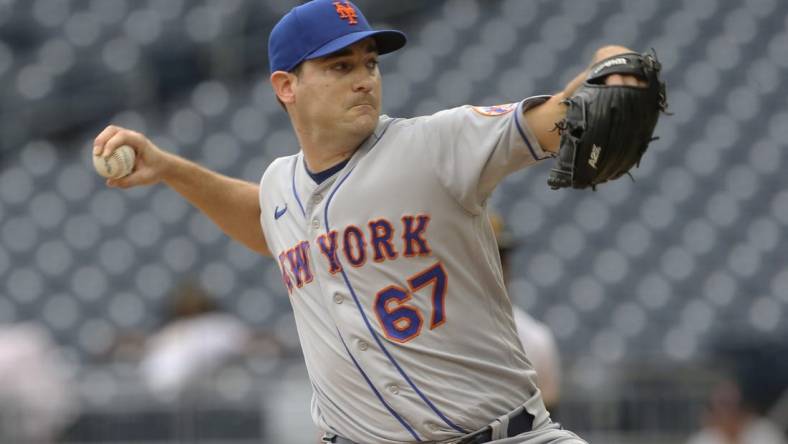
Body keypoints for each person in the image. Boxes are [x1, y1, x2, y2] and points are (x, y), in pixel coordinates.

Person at [92, 1, 648, 442]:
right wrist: (168, 168)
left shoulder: (434, 143)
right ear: (286, 86)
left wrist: (615, 60)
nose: (364, 78)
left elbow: (563, 117)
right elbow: (266, 221)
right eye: (340, 66)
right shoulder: (281, 185)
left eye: (370, 63)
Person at [490, 213, 562, 411]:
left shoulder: (535, 338)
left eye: (500, 258)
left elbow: (547, 412)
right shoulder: (434, 329)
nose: (492, 267)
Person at [686, 379, 786, 444]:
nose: (725, 412)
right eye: (722, 404)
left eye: (730, 404)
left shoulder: (765, 432)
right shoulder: (702, 439)